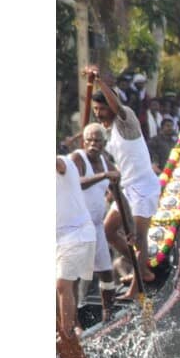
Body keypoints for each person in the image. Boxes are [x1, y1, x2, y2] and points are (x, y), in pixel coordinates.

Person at [90, 69, 161, 294]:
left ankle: (136, 286)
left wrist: (100, 82)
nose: (99, 114)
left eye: (102, 109)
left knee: (139, 238)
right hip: (126, 188)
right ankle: (142, 270)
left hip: (144, 187)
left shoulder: (126, 119)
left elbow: (117, 106)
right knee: (109, 231)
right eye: (95, 110)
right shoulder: (106, 132)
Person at [56, 152, 103, 358]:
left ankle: (66, 332)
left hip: (77, 236)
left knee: (63, 285)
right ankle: (68, 327)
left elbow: (58, 163)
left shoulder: (63, 164)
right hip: (61, 238)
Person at [71, 123, 120, 320]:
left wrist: (130, 226)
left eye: (97, 141)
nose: (92, 144)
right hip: (77, 226)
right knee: (73, 276)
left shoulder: (106, 162)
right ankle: (73, 321)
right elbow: (76, 183)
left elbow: (118, 194)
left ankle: (108, 312)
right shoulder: (77, 158)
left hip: (96, 226)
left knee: (106, 272)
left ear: (104, 144)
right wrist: (104, 175)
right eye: (89, 140)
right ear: (84, 142)